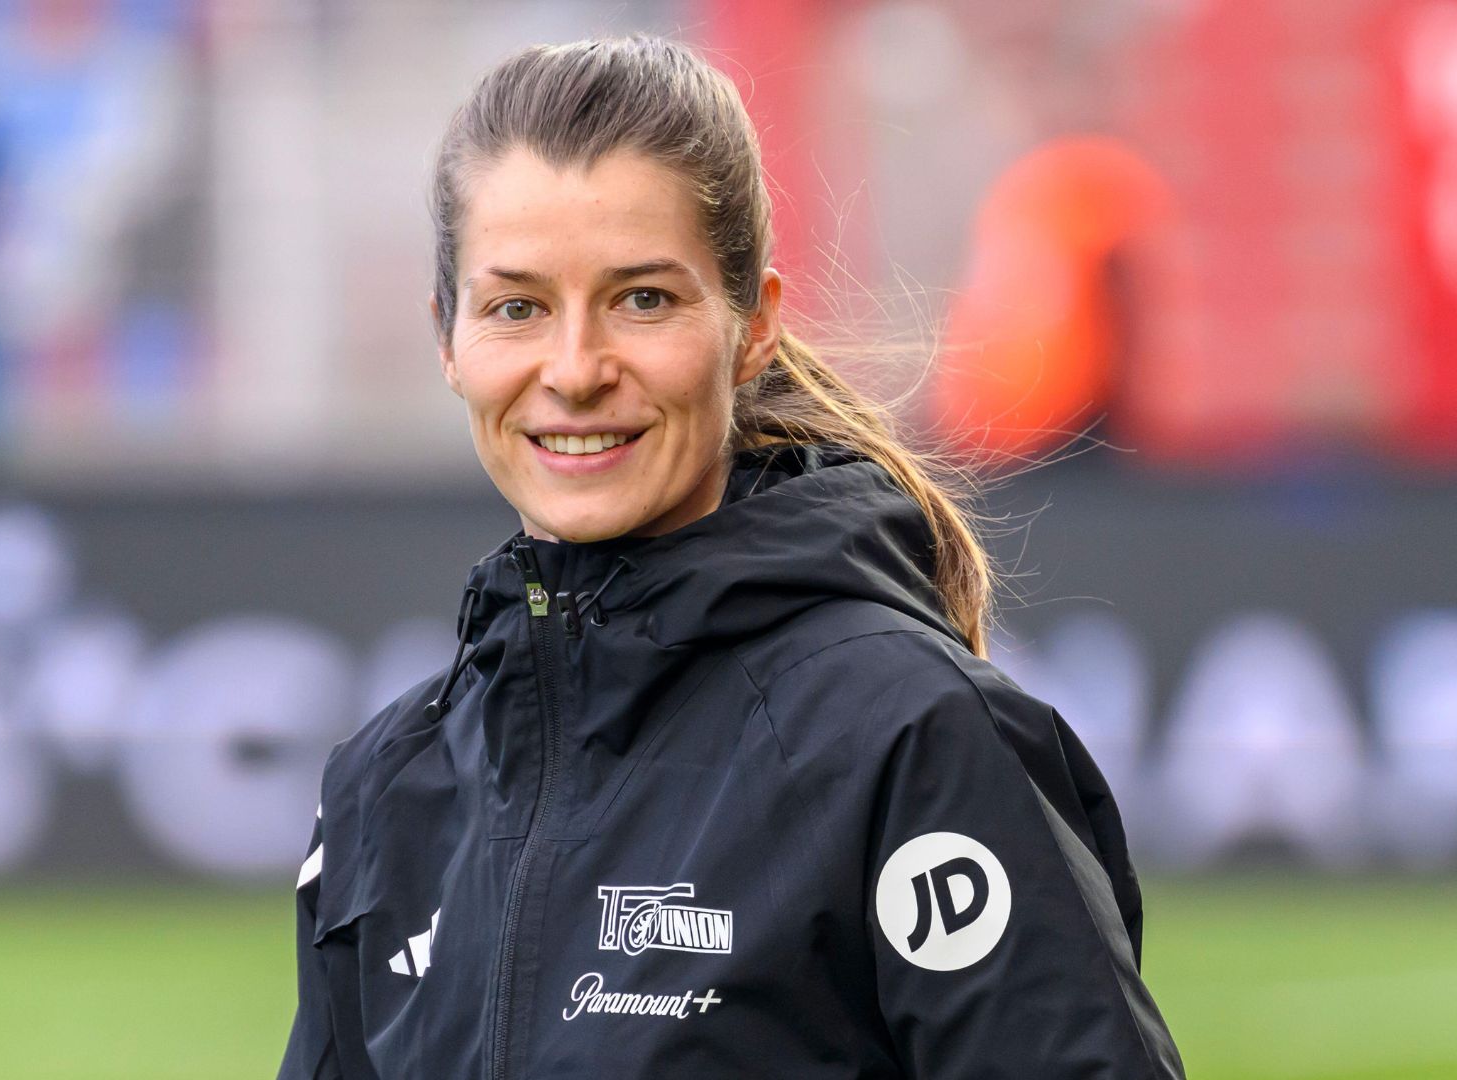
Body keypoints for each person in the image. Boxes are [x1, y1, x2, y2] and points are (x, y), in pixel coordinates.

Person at [279, 36, 1183, 1079]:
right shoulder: (381, 789)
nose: (574, 370)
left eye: (643, 299)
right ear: (448, 339)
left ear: (753, 326)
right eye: (517, 308)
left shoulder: (913, 736)